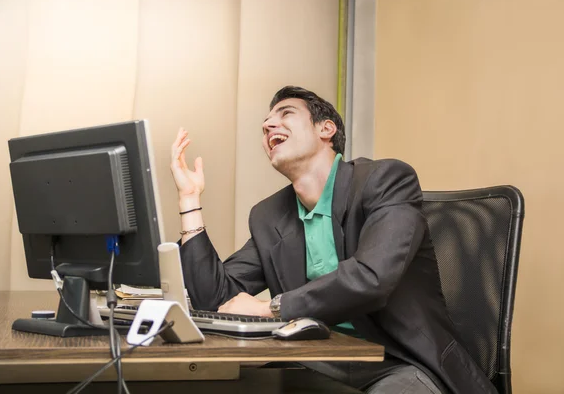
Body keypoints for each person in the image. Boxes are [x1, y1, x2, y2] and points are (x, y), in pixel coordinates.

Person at [169, 86, 497, 394]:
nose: (269, 124)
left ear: (326, 130)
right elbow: (215, 301)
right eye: (266, 123)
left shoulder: (385, 181)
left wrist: (271, 308)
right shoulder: (270, 216)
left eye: (285, 114)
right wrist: (189, 201)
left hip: (400, 362)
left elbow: (372, 277)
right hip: (318, 358)